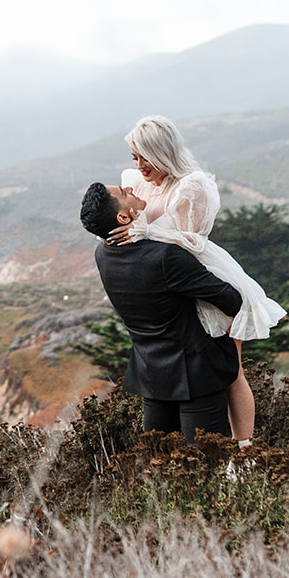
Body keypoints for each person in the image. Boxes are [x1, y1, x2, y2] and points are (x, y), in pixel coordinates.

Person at [109, 115, 286, 441]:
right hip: (163, 284)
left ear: (163, 150)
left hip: (197, 273)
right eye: (134, 157)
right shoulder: (137, 180)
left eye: (145, 156)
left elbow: (194, 241)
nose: (139, 165)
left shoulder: (193, 185)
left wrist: (147, 231)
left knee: (232, 369)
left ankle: (243, 447)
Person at [80, 181, 244, 440]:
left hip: (151, 374)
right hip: (197, 372)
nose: (131, 188)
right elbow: (231, 299)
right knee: (207, 463)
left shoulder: (102, 254)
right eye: (124, 193)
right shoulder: (166, 256)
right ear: (123, 217)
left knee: (159, 465)